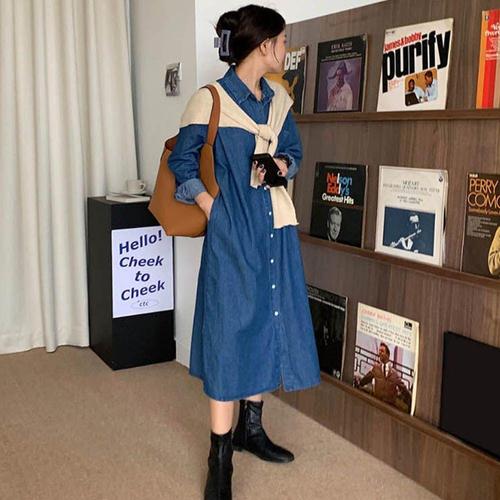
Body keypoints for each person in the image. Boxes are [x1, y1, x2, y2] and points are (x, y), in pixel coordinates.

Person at [168, 5, 321, 499]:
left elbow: (294, 153)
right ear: (263, 45)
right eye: (282, 41)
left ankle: (250, 430)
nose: (286, 49)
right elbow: (182, 163)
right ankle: (220, 461)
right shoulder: (210, 100)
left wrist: (280, 165)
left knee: (266, 323)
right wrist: (214, 210)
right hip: (232, 235)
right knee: (228, 336)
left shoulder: (279, 101)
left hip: (274, 230)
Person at [354, 343, 412, 409]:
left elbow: (403, 388)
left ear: (387, 355)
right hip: (377, 403)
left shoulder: (394, 373)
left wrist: (409, 401)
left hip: (389, 406)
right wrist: (359, 383)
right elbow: (367, 378)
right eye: (379, 351)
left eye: (382, 351)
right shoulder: (376, 368)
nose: (379, 353)